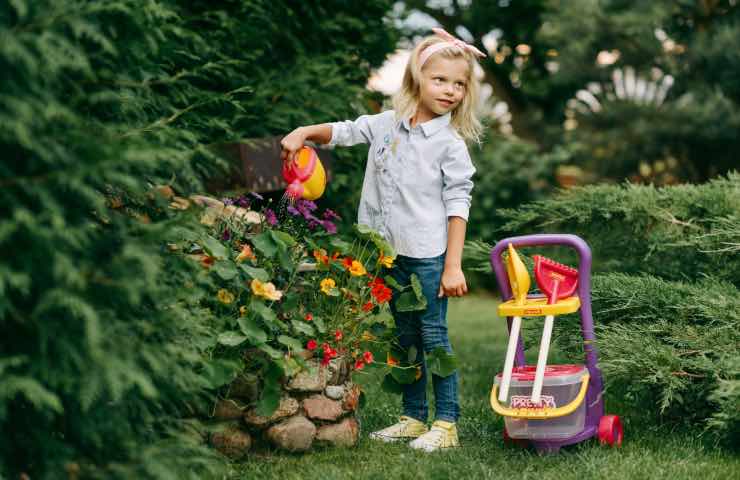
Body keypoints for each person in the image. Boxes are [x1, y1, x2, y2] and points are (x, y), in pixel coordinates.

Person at [280, 28, 485, 452]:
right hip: (387, 255)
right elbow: (342, 131)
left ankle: (446, 423)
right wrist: (303, 131)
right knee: (403, 338)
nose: (450, 90)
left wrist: (452, 266)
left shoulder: (449, 145)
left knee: (434, 337)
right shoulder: (385, 125)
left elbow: (457, 206)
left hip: (428, 257)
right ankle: (413, 417)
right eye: (440, 79)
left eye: (459, 83)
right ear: (416, 79)